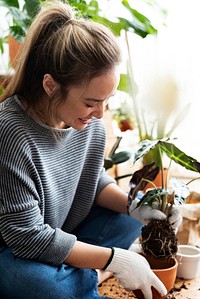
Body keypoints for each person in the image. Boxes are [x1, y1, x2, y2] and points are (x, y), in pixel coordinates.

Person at [0, 1, 182, 298]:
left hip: (65, 232)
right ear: (50, 85)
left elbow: (90, 181)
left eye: (106, 100)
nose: (100, 114)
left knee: (132, 224)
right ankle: (91, 276)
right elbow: (27, 238)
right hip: (15, 250)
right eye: (91, 102)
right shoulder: (10, 133)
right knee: (36, 285)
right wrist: (114, 259)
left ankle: (81, 273)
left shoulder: (86, 122)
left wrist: (137, 207)